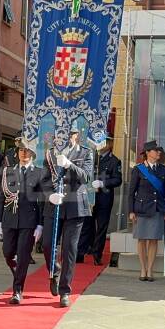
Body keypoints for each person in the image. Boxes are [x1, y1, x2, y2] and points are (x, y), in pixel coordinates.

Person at [40, 129, 93, 308]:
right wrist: (50, 195)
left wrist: (70, 164)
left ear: (75, 135)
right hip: (54, 205)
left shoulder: (85, 152)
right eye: (61, 134)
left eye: (69, 134)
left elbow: (86, 177)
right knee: (47, 245)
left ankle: (65, 290)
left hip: (75, 206)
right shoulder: (50, 153)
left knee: (69, 249)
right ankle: (54, 272)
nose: (64, 138)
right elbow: (45, 179)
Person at [0, 139, 45, 304]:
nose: (23, 153)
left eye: (26, 151)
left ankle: (17, 290)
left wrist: (40, 224)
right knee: (7, 252)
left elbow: (42, 201)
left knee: (23, 256)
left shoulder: (39, 172)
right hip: (9, 218)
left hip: (29, 220)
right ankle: (18, 272)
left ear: (32, 153)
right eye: (20, 151)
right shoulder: (7, 171)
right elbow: (1, 197)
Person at [128, 140, 165, 282]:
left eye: (159, 150)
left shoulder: (163, 170)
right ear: (148, 153)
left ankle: (150, 270)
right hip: (141, 209)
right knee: (142, 240)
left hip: (157, 209)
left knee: (153, 240)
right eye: (155, 150)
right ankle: (142, 269)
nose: (158, 152)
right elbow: (131, 192)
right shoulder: (138, 169)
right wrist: (131, 210)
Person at [78, 135, 122, 266]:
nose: (100, 145)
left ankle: (97, 254)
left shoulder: (114, 161)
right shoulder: (91, 158)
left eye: (103, 142)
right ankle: (80, 253)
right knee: (86, 225)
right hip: (90, 196)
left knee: (101, 227)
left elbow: (117, 180)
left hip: (104, 198)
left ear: (109, 144)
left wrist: (103, 183)